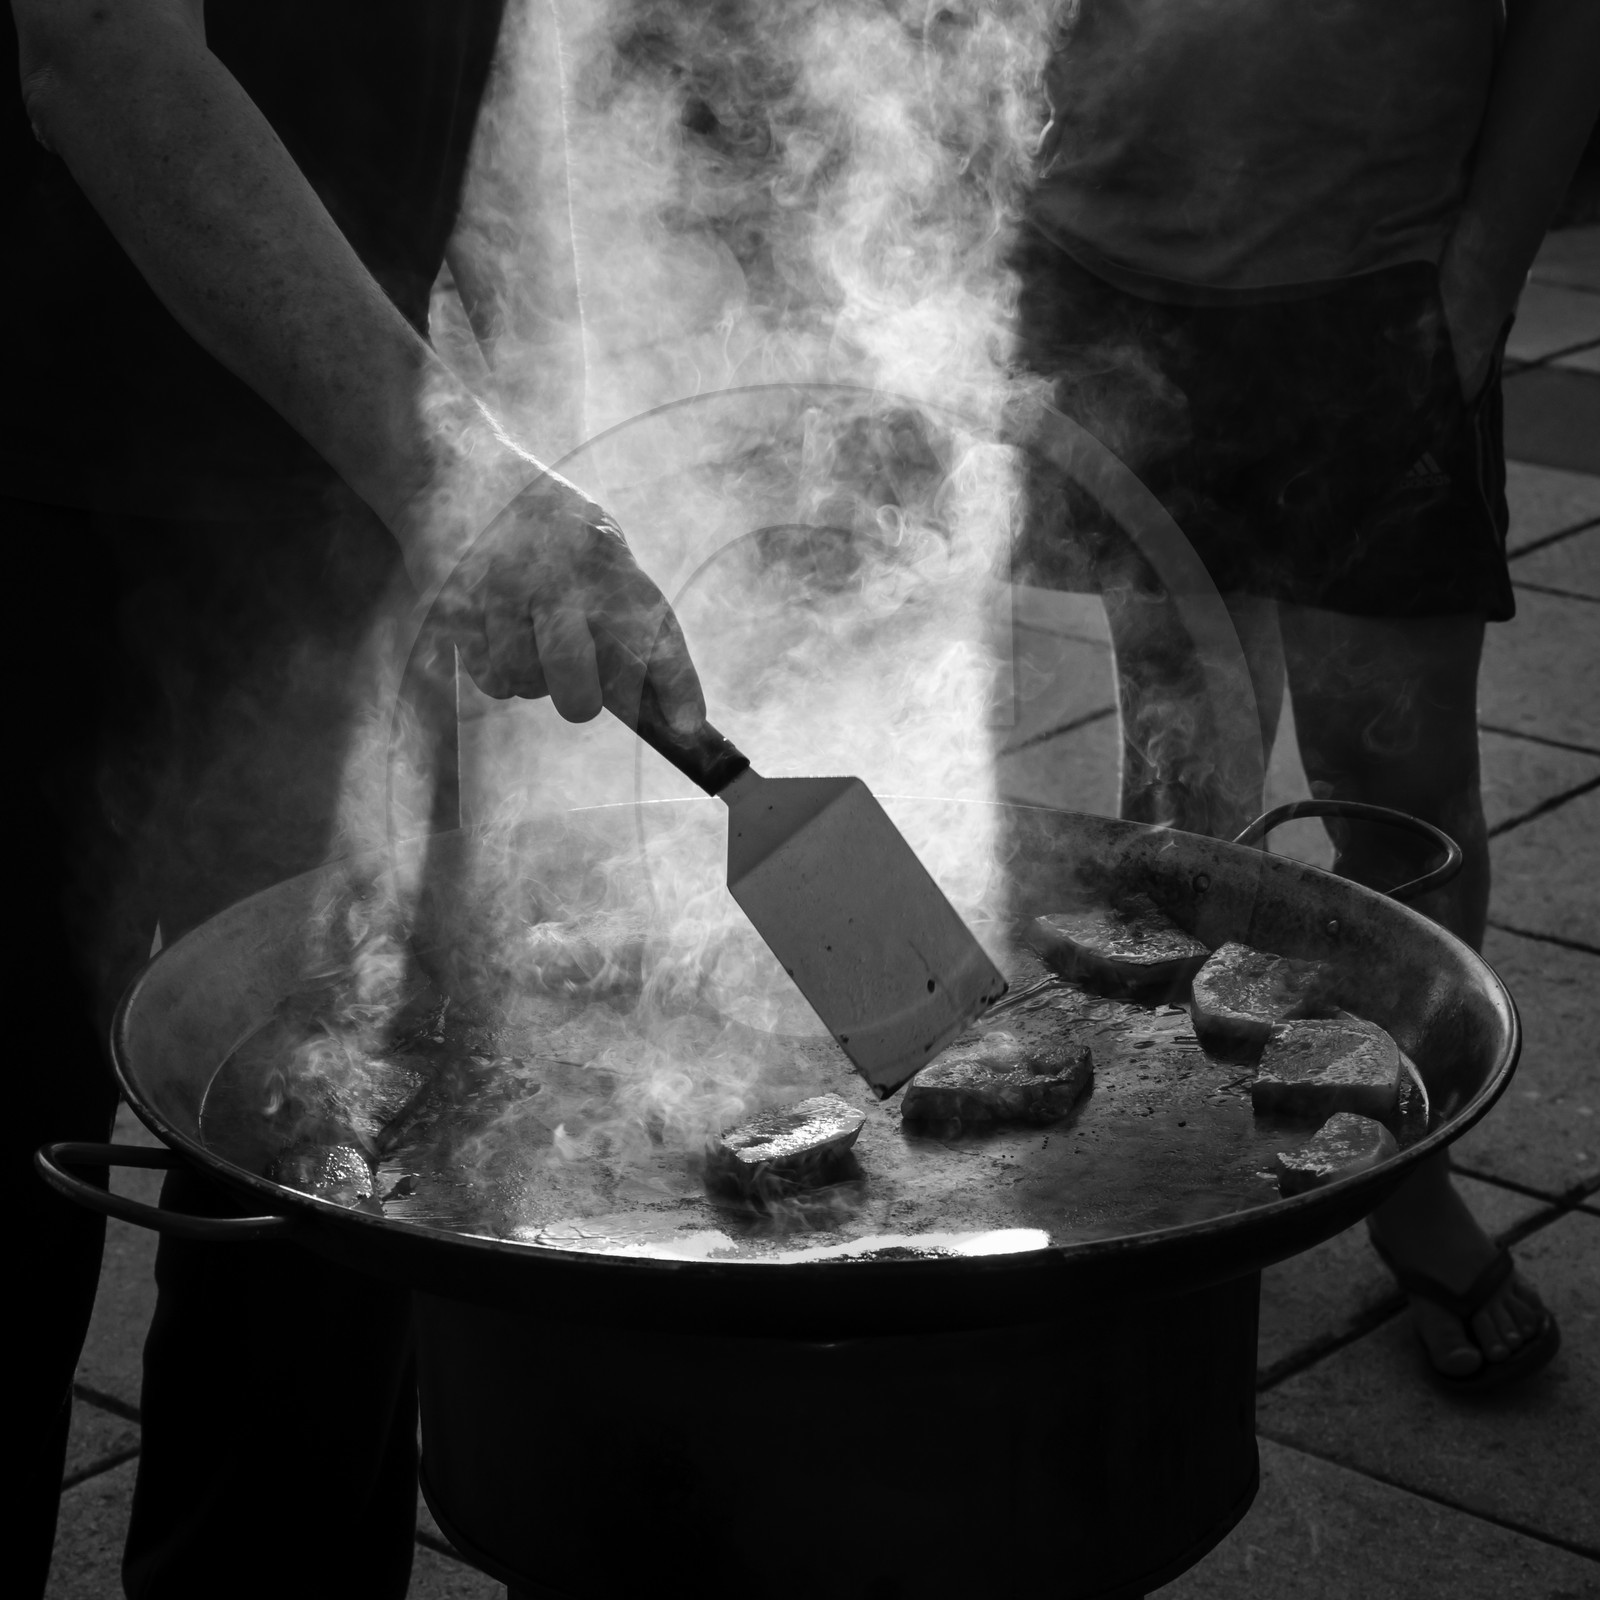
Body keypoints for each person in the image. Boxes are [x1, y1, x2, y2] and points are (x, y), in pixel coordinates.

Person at [7, 2, 703, 1594]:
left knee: (338, 1201)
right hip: (29, 499)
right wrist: (456, 470)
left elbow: (500, 64)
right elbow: (101, 54)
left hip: (340, 502)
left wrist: (564, 456)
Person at [1016, 0, 1600, 1389]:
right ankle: (1182, 1135)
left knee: (1392, 793)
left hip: (1374, 287)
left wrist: (1478, 287)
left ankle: (1400, 1160)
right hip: (1110, 265)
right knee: (1179, 764)